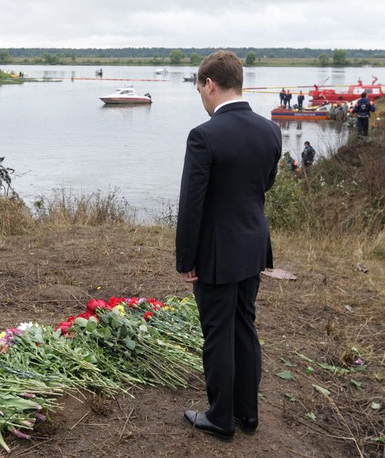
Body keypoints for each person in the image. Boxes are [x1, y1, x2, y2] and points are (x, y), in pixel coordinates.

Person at [176, 50, 282, 441]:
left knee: (217, 333)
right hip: (253, 246)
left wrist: (185, 259)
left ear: (210, 84)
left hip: (216, 254)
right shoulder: (270, 130)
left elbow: (192, 204)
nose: (201, 96)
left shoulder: (204, 135)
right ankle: (247, 414)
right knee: (244, 327)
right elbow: (264, 184)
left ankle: (220, 418)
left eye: (200, 88)